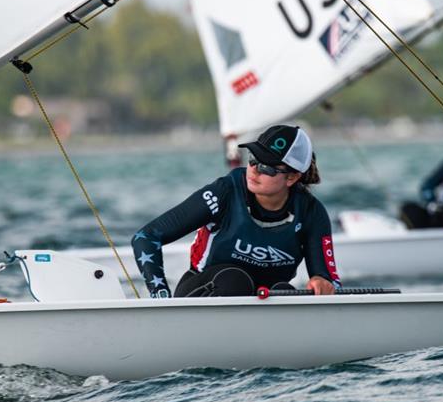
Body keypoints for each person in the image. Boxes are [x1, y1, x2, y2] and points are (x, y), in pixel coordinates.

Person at [132, 125, 341, 298]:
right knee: (235, 279)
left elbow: (330, 283)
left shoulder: (312, 213)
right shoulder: (224, 192)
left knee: (284, 292)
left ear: (292, 178)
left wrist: (323, 283)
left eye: (267, 168)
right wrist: (161, 296)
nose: (254, 170)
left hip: (264, 300)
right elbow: (146, 237)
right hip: (203, 290)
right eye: (252, 159)